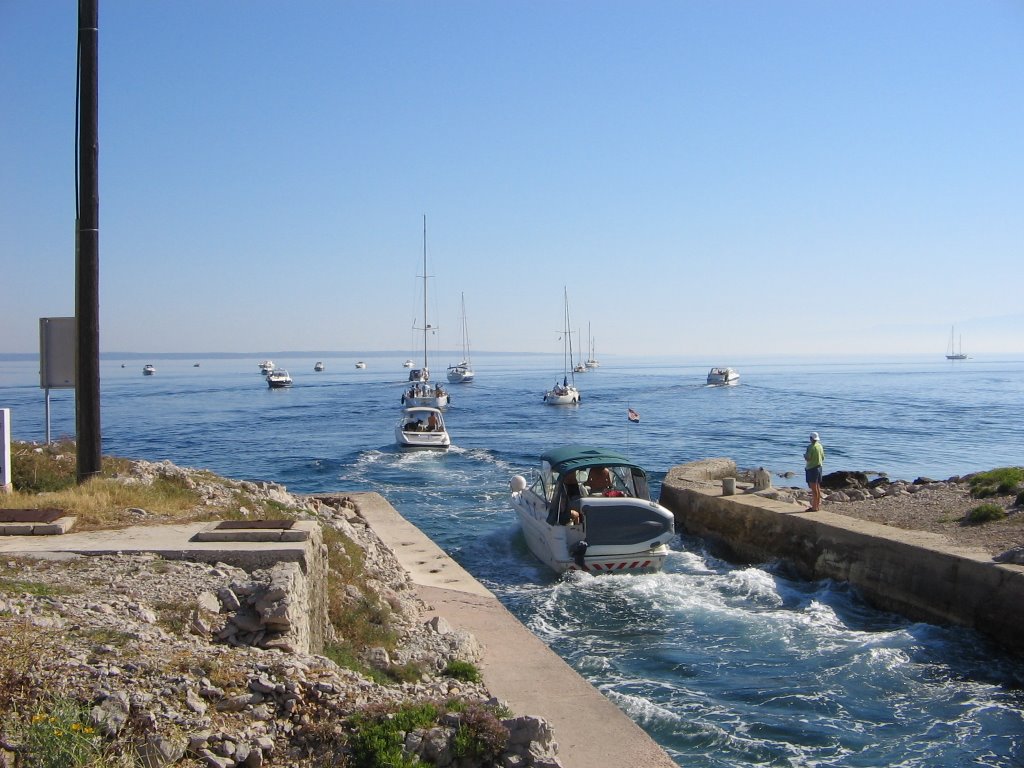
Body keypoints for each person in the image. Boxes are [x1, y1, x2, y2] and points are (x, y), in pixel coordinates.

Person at [804, 431, 825, 511]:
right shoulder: (820, 446)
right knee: (818, 487)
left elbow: (808, 458)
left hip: (812, 468)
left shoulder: (810, 447)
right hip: (819, 468)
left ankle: (814, 507)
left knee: (813, 489)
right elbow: (823, 457)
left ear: (811, 438)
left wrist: (805, 456)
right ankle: (817, 505)